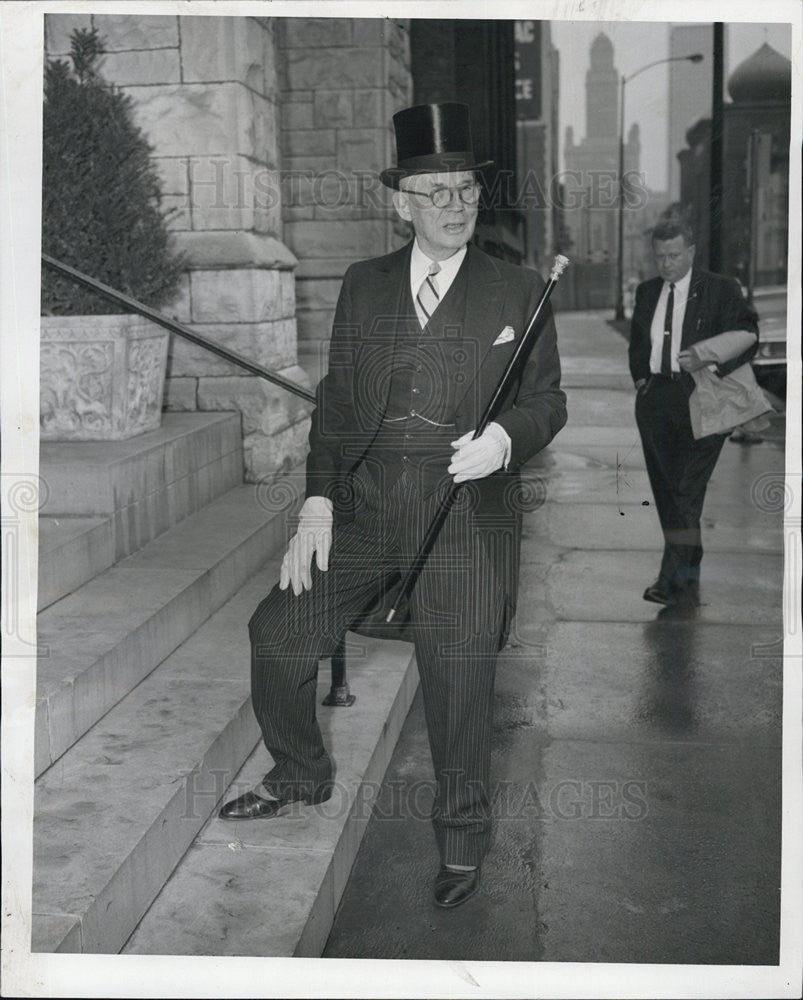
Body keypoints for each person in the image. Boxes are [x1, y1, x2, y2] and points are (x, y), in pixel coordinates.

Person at [219, 102, 567, 909]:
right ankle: (300, 776)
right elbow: (339, 407)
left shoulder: (517, 290)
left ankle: (459, 842)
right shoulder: (364, 285)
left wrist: (506, 440)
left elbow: (548, 401)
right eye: (436, 192)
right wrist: (316, 507)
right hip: (370, 508)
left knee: (456, 679)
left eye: (466, 192)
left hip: (466, 515)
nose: (456, 207)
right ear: (400, 201)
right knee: (278, 631)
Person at [628, 215, 758, 608]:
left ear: (691, 252)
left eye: (673, 255)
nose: (666, 264)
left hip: (706, 397)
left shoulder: (720, 289)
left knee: (686, 490)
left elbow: (749, 335)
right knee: (668, 493)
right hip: (656, 400)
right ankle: (690, 558)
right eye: (659, 257)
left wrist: (710, 362)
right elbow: (638, 342)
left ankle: (673, 579)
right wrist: (640, 380)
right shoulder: (648, 291)